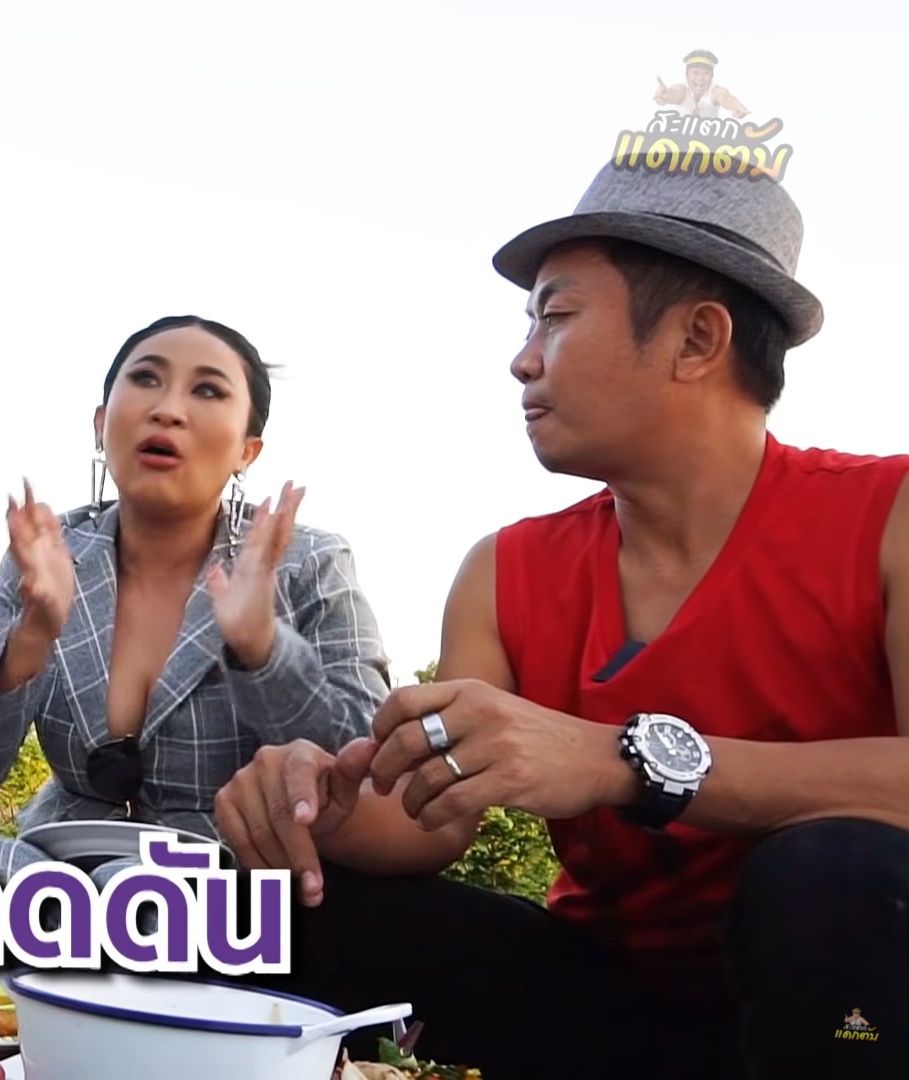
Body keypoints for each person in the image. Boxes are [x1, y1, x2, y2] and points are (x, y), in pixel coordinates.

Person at [215, 160, 909, 1079]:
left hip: (853, 1004)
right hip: (608, 1007)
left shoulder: (887, 514)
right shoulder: (503, 569)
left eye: (557, 315)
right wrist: (320, 806)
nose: (524, 359)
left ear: (697, 339)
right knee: (265, 907)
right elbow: (430, 819)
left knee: (832, 873)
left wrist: (620, 759)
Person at [0, 314, 392, 896]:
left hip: (235, 875)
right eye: (146, 379)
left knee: (135, 894)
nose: (168, 409)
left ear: (247, 450)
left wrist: (263, 648)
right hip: (63, 862)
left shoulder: (307, 562)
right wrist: (32, 635)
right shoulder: (48, 551)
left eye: (208, 390)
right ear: (101, 424)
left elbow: (364, 764)